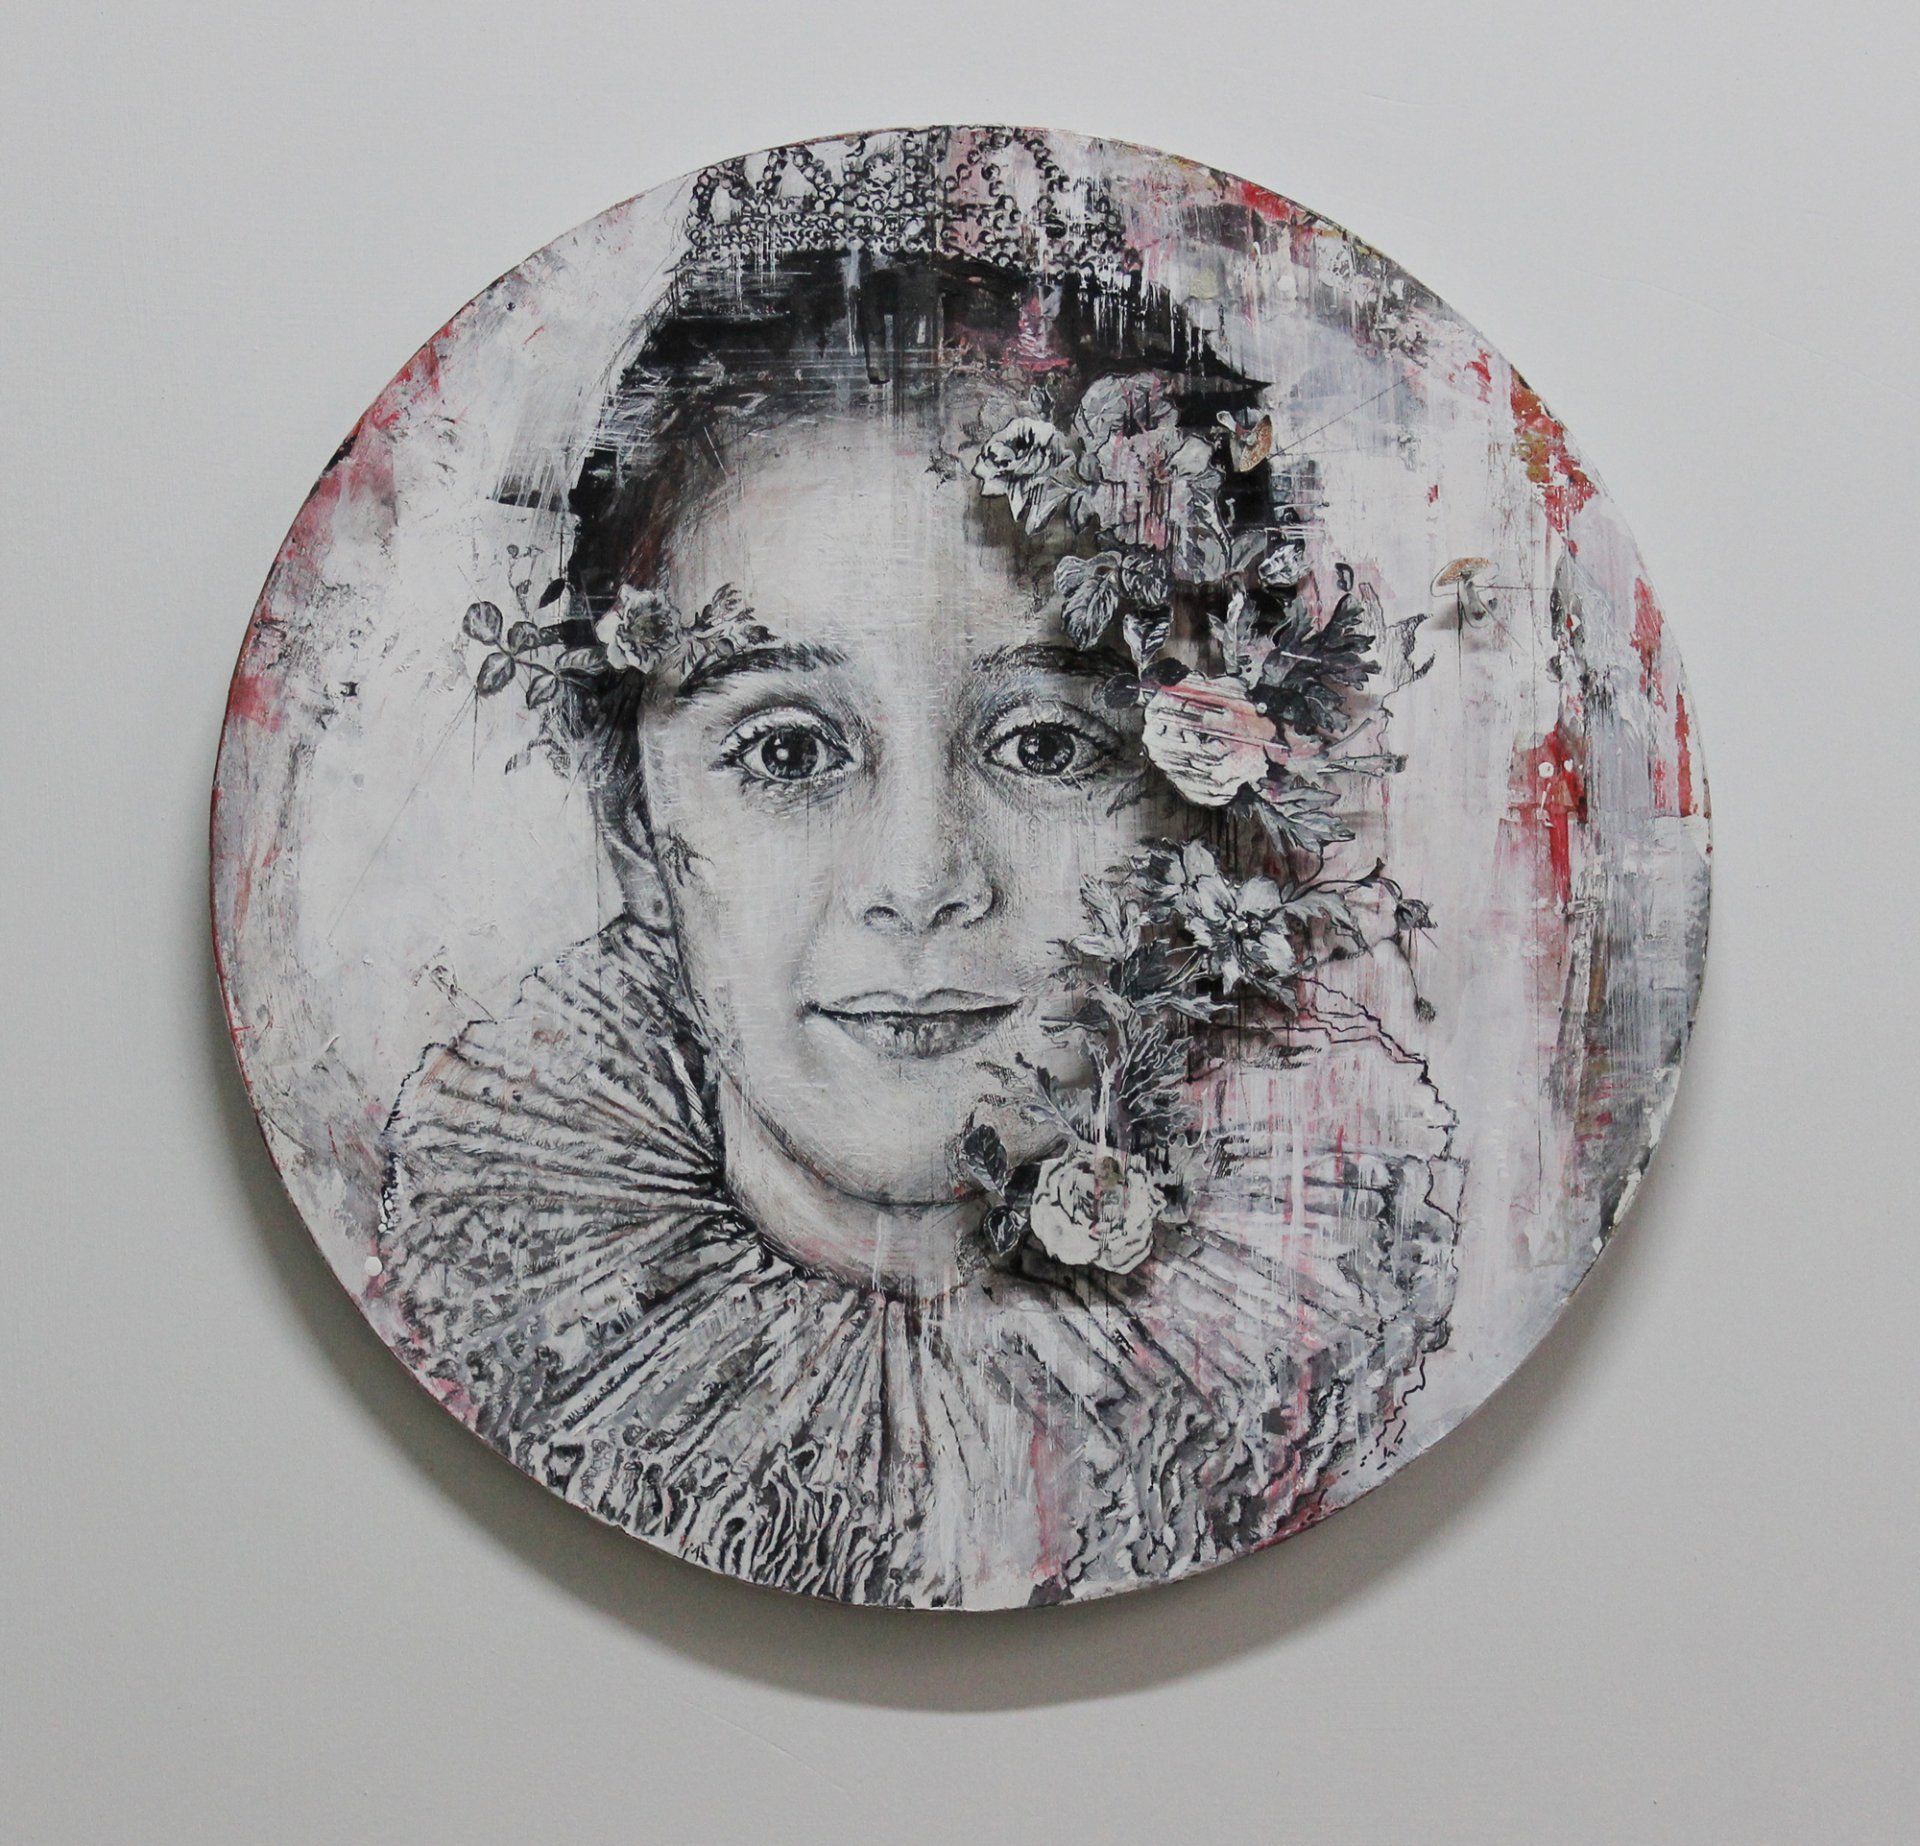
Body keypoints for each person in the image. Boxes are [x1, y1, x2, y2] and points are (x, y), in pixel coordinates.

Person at [378, 132, 1461, 1607]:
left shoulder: (1319, 1341)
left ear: (1208, 805)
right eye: (784, 750)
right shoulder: (506, 1331)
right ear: (633, 816)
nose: (919, 878)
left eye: (1049, 744)